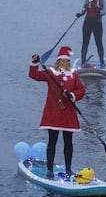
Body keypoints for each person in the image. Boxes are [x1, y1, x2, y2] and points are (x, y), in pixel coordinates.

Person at [29, 47, 86, 178]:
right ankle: (49, 169)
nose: (64, 64)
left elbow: (81, 91)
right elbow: (34, 75)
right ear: (58, 62)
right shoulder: (51, 73)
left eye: (67, 61)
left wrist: (72, 95)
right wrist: (35, 63)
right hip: (54, 114)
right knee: (52, 142)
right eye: (62, 61)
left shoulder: (73, 75)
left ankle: (68, 169)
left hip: (68, 115)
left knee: (68, 143)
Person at [76, 0, 106, 67]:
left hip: (97, 24)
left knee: (99, 43)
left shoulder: (102, 2)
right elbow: (82, 11)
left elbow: (104, 12)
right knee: (85, 43)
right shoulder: (87, 1)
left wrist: (99, 11)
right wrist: (79, 14)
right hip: (87, 23)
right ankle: (83, 61)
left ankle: (102, 61)